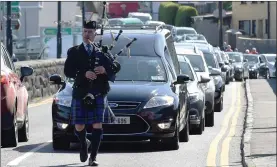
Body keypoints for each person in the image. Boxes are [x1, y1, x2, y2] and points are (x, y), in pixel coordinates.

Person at [64, 20, 119, 166]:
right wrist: (84, 73)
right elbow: (68, 71)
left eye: (90, 32)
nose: (86, 34)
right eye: (84, 31)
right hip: (81, 91)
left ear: (95, 34)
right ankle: (83, 143)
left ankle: (93, 157)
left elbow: (115, 68)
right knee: (79, 126)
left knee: (97, 124)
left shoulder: (102, 51)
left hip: (98, 91)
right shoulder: (74, 51)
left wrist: (104, 70)